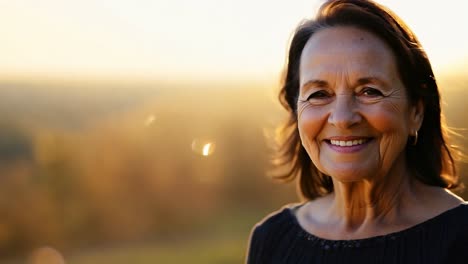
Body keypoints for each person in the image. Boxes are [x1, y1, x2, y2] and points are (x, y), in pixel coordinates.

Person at [246, 0, 468, 263]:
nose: (342, 118)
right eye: (319, 94)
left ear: (416, 112)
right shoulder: (272, 239)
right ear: (296, 113)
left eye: (369, 91)